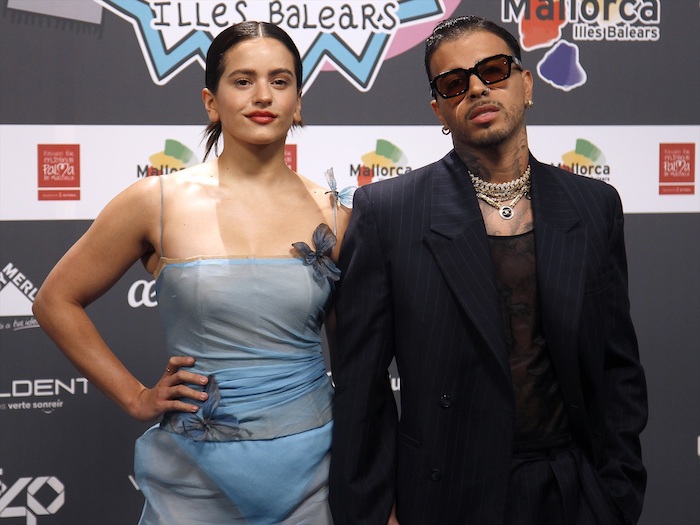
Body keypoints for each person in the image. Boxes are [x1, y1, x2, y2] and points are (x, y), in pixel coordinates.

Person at [329, 15, 647, 525]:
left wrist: (615, 492)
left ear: (526, 84)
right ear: (439, 108)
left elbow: (617, 369)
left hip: (570, 490)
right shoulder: (389, 211)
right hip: (443, 496)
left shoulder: (593, 205)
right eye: (454, 83)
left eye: (493, 70)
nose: (476, 87)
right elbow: (360, 385)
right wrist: (374, 509)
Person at [33, 21, 349, 524]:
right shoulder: (154, 201)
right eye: (242, 81)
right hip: (194, 479)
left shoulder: (336, 212)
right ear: (211, 101)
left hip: (315, 468)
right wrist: (137, 397)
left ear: (299, 100)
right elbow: (54, 301)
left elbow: (356, 352)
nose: (262, 95)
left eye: (280, 80)